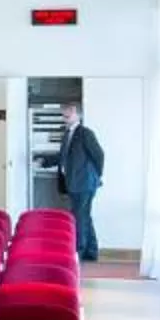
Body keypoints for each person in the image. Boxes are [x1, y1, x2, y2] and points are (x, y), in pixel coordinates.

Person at [57, 103, 105, 262]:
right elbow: (64, 157)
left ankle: (80, 252)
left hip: (85, 183)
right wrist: (44, 161)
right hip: (73, 182)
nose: (65, 117)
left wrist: (95, 176)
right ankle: (91, 251)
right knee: (84, 216)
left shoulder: (85, 133)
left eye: (68, 114)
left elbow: (99, 155)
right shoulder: (67, 134)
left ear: (78, 115)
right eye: (64, 114)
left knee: (79, 217)